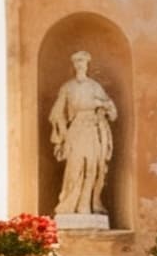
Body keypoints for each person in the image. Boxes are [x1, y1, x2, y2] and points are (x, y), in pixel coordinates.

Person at [48, 48, 116, 222]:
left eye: (83, 62)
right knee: (75, 167)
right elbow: (56, 112)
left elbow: (112, 111)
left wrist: (102, 105)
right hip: (76, 128)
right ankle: (69, 205)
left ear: (87, 64)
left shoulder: (95, 86)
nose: (80, 65)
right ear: (73, 65)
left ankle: (86, 205)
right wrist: (62, 132)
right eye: (77, 62)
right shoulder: (68, 87)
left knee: (92, 167)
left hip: (92, 129)